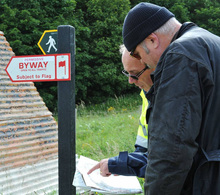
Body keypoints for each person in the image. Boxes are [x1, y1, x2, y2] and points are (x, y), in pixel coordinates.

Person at [122, 2, 220, 194]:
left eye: (138, 54)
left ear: (152, 40)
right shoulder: (212, 42)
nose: (143, 62)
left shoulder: (180, 55)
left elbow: (171, 149)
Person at [88, 45, 154, 178]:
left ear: (154, 65)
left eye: (135, 74)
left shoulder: (172, 99)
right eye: (127, 73)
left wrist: (121, 164)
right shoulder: (146, 94)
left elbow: (167, 162)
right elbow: (144, 152)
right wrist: (120, 164)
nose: (130, 81)